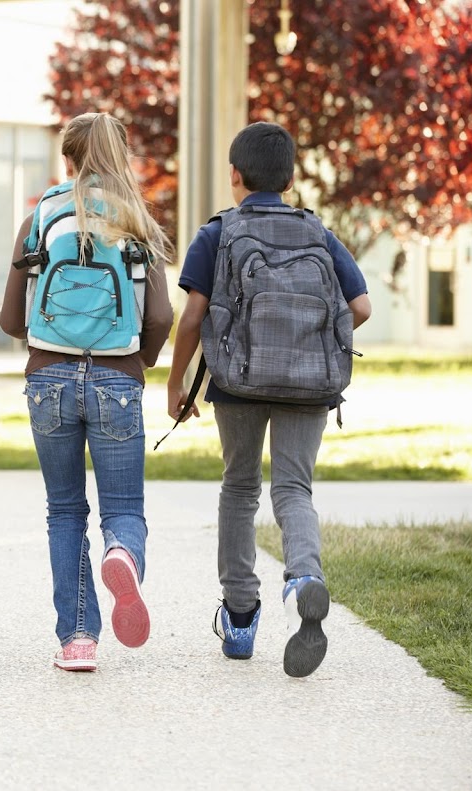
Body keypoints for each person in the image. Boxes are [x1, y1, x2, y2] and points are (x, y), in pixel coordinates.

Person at [167, 121, 372, 678]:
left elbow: (191, 317)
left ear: (234, 174)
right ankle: (303, 580)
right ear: (289, 178)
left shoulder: (218, 233)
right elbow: (362, 306)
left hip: (237, 380)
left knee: (239, 487)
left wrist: (176, 383)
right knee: (293, 488)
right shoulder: (318, 234)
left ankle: (239, 618)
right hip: (310, 384)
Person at [0, 112, 174, 672]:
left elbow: (8, 319)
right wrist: (137, 361)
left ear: (67, 159)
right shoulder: (135, 220)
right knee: (123, 506)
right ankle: (121, 554)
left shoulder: (41, 217)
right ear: (121, 157)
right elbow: (162, 314)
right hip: (117, 378)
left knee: (65, 510)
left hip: (49, 378)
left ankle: (78, 640)